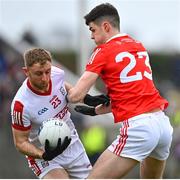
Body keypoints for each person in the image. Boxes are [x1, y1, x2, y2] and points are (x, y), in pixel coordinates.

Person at [67, 3, 173, 179]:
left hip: (140, 128)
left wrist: (62, 85)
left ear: (106, 26)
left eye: (93, 30)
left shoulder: (103, 50)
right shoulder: (138, 46)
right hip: (162, 125)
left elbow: (75, 95)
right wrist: (95, 110)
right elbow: (133, 97)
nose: (91, 36)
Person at [10, 48, 109, 179]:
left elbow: (63, 87)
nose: (45, 78)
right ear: (26, 71)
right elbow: (20, 142)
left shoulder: (57, 74)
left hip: (72, 145)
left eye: (47, 71)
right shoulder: (21, 105)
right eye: (39, 73)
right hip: (45, 157)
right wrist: (43, 155)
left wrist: (86, 98)